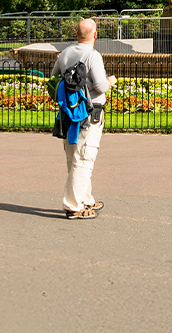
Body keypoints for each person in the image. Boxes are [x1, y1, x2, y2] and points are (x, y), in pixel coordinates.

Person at [52, 18, 116, 219]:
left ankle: (86, 198)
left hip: (70, 112)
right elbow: (100, 86)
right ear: (95, 35)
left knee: (74, 156)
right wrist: (110, 81)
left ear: (77, 35)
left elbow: (54, 77)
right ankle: (73, 206)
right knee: (85, 158)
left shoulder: (65, 53)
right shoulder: (93, 56)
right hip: (90, 112)